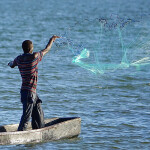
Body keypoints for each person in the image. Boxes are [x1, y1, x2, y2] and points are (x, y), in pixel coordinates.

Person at [8, 35, 60, 131]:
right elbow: (46, 50)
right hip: (29, 93)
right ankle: (20, 134)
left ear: (23, 49)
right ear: (31, 49)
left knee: (38, 110)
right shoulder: (34, 57)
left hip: (29, 92)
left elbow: (12, 64)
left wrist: (10, 63)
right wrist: (52, 39)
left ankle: (39, 129)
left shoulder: (18, 59)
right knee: (26, 117)